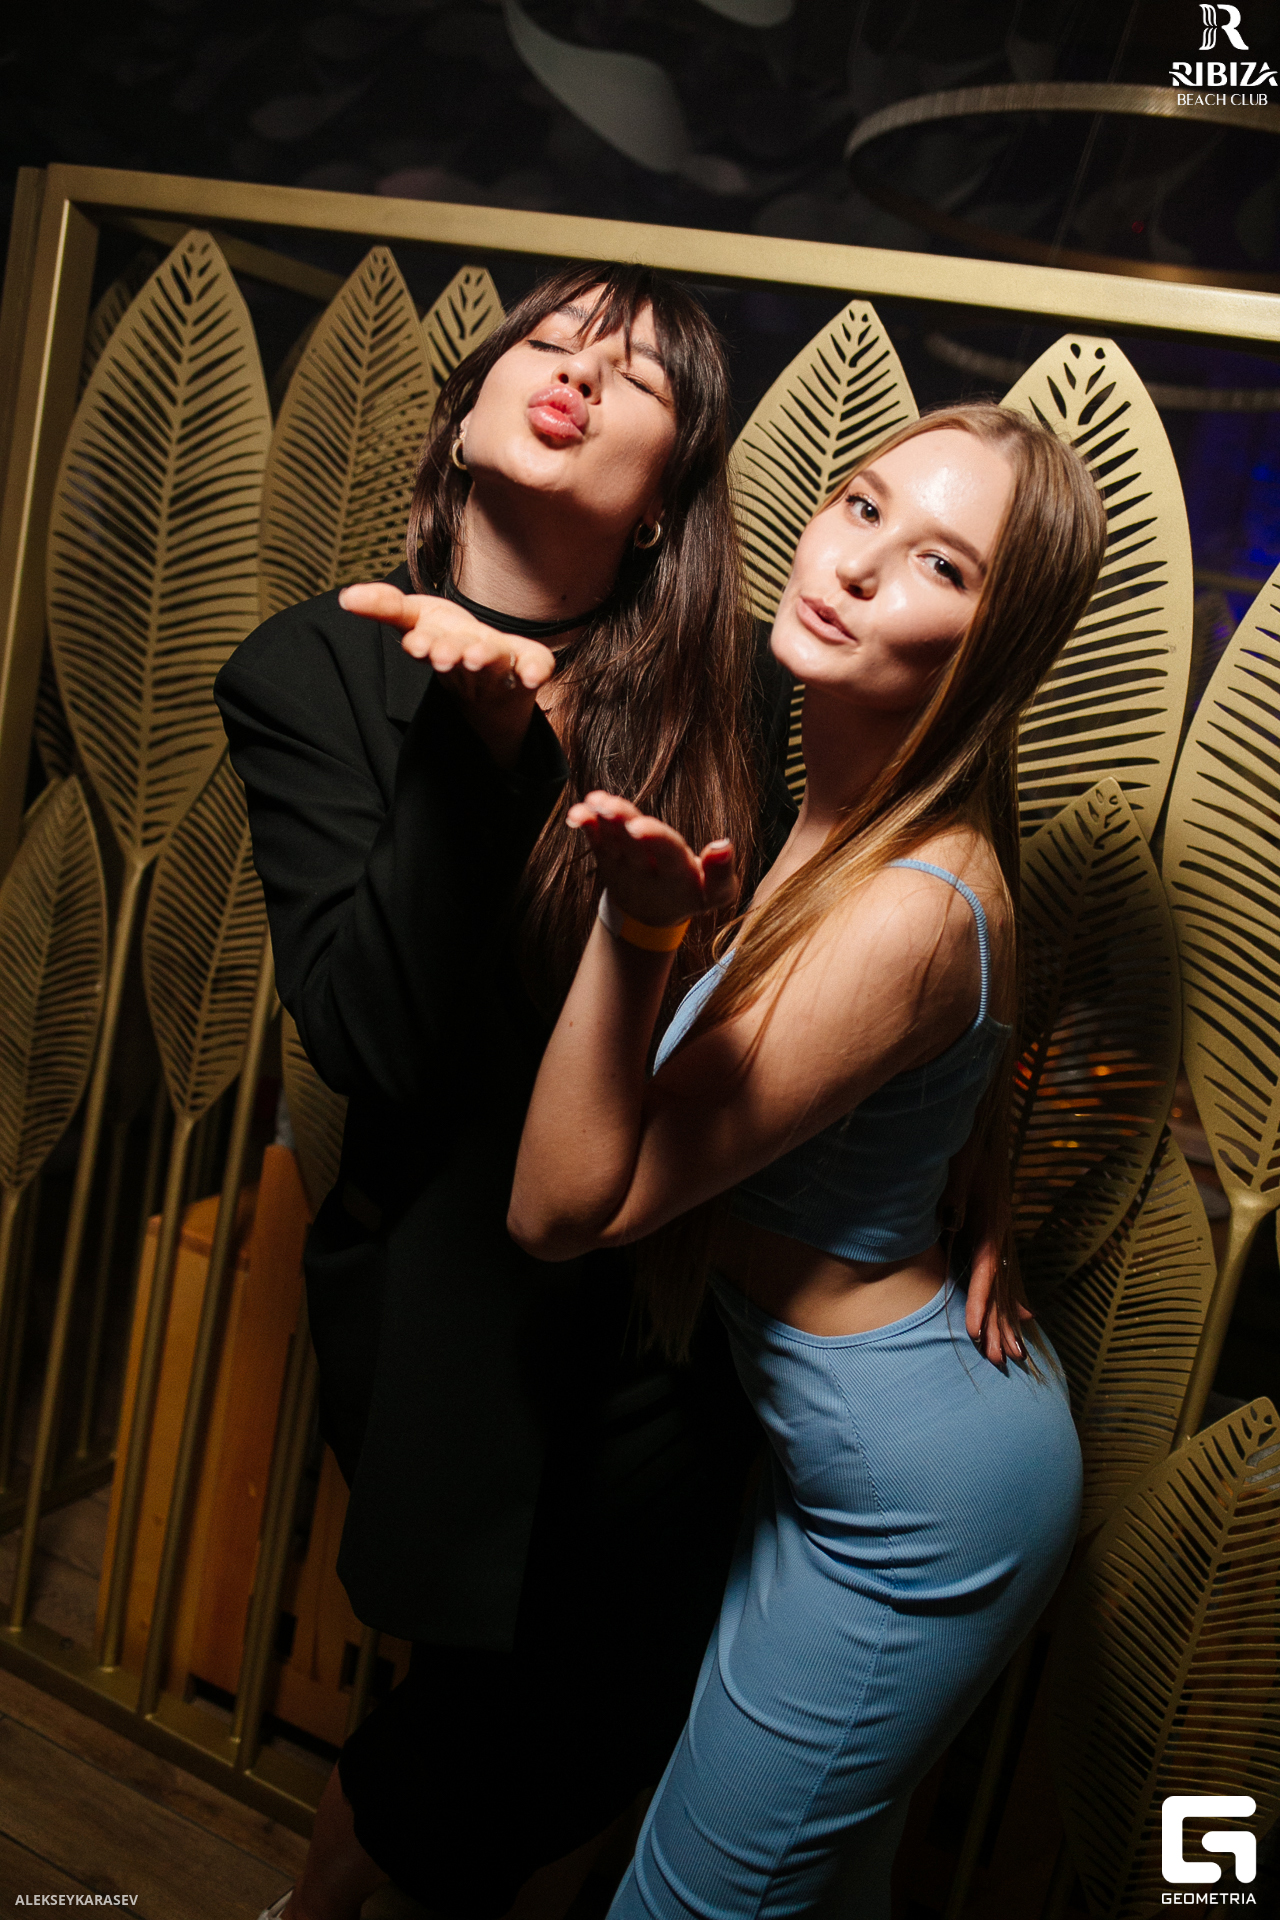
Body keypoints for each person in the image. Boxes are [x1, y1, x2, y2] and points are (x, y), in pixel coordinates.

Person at [220, 264, 1019, 1920]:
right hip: (466, 1323)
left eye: (639, 374)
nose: (580, 368)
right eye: (553, 338)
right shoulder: (308, 669)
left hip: (666, 1325)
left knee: (591, 1735)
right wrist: (469, 747)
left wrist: (957, 1171)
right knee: (470, 1730)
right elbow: (369, 1040)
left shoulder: (744, 672)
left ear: (666, 501)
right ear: (468, 408)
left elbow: (909, 898)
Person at [508, 402, 1106, 1918]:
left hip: (914, 1510)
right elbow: (940, 1055)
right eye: (861, 504)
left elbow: (561, 1209)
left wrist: (640, 930)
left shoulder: (905, 906)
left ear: (995, 647)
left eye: (941, 565)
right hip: (852, 1449)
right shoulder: (846, 825)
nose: (853, 564)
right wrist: (970, 1166)